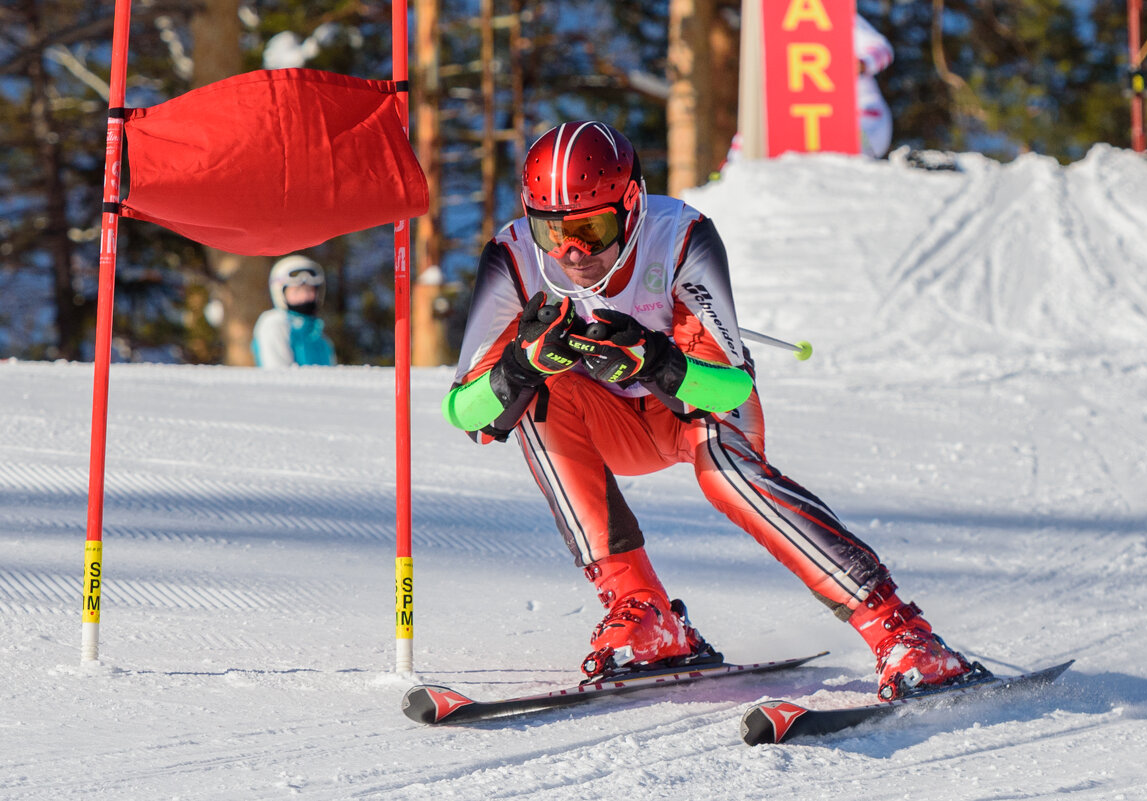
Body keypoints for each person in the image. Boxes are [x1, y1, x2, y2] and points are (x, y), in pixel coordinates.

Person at [441, 120, 978, 701]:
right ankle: (644, 612)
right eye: (552, 231)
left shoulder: (679, 237)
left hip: (689, 409)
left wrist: (653, 360)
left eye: (592, 230)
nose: (573, 254)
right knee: (533, 396)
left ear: (631, 206)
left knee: (723, 471)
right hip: (611, 427)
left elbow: (730, 390)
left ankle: (899, 631)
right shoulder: (514, 257)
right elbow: (465, 412)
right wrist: (519, 368)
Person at [252, 255, 337, 368]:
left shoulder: (318, 334)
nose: (305, 296)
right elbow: (278, 373)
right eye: (297, 291)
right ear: (280, 293)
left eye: (310, 290)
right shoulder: (275, 323)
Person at [855, 13, 894, 159]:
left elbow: (883, 49)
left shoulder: (837, 17)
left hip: (864, 116)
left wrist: (864, 63)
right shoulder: (780, 17)